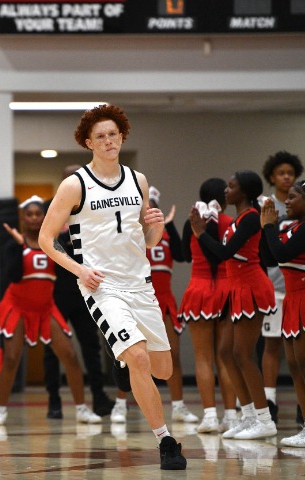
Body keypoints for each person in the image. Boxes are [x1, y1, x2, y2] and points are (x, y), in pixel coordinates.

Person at [38, 105, 187, 470]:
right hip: (102, 285)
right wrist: (79, 270)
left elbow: (147, 241)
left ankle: (123, 360)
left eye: (113, 135)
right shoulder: (75, 185)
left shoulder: (138, 180)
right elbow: (45, 238)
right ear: (89, 142)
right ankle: (166, 441)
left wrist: (156, 227)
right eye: (100, 136)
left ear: (122, 137)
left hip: (140, 283)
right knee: (138, 357)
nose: (108, 141)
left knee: (164, 369)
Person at [0, 195, 101, 427]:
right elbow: (13, 276)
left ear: (44, 217)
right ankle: (0, 409)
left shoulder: (53, 244)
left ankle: (81, 409)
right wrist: (19, 246)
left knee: (70, 356)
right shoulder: (14, 244)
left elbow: (69, 270)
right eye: (29, 214)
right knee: (11, 358)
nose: (33, 218)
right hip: (17, 307)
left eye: (37, 214)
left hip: (45, 308)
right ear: (23, 218)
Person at [189, 170, 277, 440]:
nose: (226, 190)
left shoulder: (250, 217)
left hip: (252, 288)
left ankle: (265, 420)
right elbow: (219, 256)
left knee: (242, 354)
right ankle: (248, 417)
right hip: (236, 289)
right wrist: (204, 232)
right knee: (226, 352)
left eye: (232, 186)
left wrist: (201, 233)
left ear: (245, 192)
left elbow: (225, 252)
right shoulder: (237, 220)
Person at [43, 164, 114, 419]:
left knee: (91, 345)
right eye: (71, 177)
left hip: (85, 287)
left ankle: (99, 396)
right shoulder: (50, 207)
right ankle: (54, 401)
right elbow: (47, 243)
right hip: (58, 288)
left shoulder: (92, 207)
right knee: (53, 348)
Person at [178, 178, 237, 433]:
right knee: (226, 358)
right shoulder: (231, 223)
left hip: (199, 291)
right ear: (225, 199)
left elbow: (184, 255)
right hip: (227, 291)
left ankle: (210, 417)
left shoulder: (191, 222)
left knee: (203, 358)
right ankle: (231, 416)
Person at [145, 186, 198, 424]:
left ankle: (178, 406)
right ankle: (120, 405)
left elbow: (181, 255)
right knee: (131, 356)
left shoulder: (167, 233)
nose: (150, 210)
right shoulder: (134, 232)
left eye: (154, 207)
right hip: (141, 298)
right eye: (147, 207)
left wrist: (171, 225)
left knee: (172, 353)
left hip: (165, 300)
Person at [260, 151, 303, 423]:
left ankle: (301, 409)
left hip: (300, 290)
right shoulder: (270, 206)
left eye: (291, 173)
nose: (286, 177)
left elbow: (283, 250)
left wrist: (269, 228)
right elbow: (268, 254)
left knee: (300, 358)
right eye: (281, 173)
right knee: (276, 347)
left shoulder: (297, 213)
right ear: (272, 177)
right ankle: (269, 400)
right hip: (277, 288)